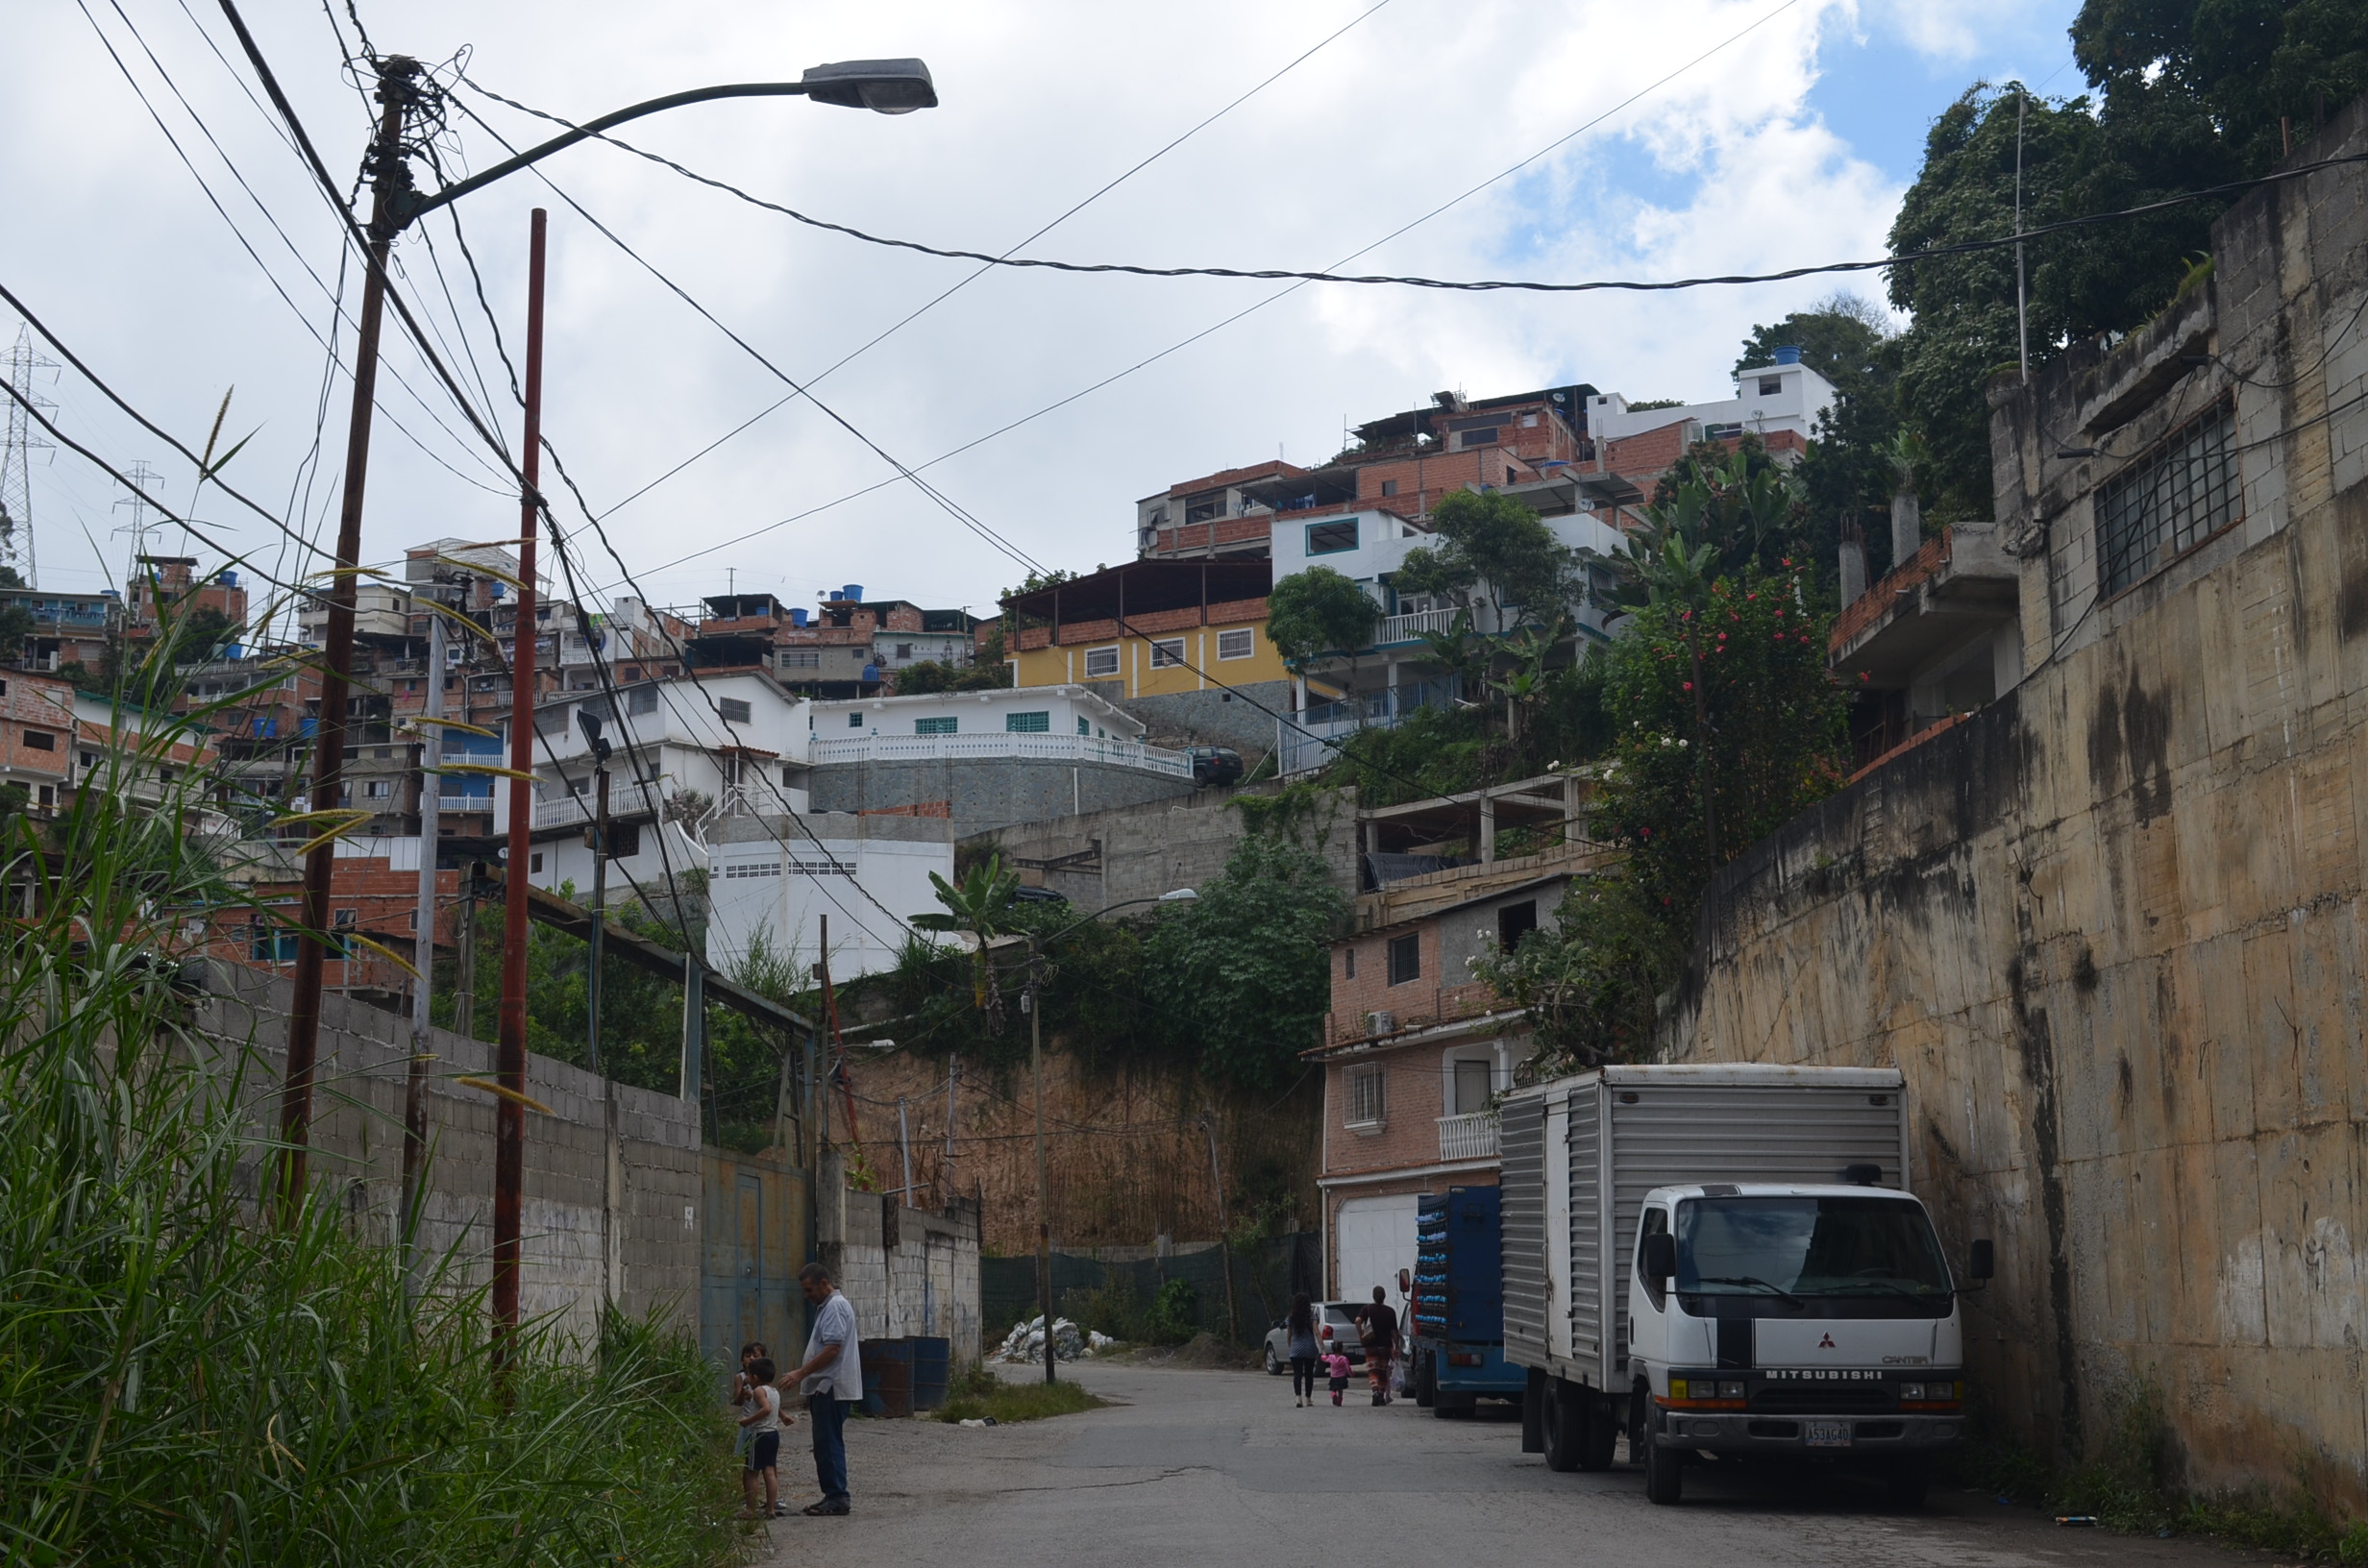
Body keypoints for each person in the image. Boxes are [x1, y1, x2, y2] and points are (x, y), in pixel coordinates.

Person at [777, 1262, 862, 1517]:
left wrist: (800, 1373)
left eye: (810, 1290)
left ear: (824, 1284)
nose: (807, 1296)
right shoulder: (828, 1307)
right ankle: (833, 1495)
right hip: (826, 1387)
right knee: (825, 1442)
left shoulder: (834, 1307)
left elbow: (832, 1348)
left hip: (831, 1386)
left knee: (828, 1441)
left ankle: (837, 1496)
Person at [738, 1357, 783, 1520]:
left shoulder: (759, 1391)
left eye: (749, 1376)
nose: (747, 1379)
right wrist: (784, 1418)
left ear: (755, 1377)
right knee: (769, 1471)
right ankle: (770, 1509)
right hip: (773, 1434)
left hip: (759, 1435)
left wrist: (747, 1421)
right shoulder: (774, 1391)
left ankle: (750, 1510)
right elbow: (772, 1407)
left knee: (751, 1472)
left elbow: (766, 1408)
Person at [1355, 1286, 1399, 1407]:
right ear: (1384, 1297)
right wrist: (1397, 1346)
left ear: (1373, 1296)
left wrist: (1361, 1335)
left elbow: (1358, 1321)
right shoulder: (1390, 1312)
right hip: (1385, 1346)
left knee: (1373, 1371)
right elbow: (1394, 1332)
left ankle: (1375, 1391)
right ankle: (1381, 1394)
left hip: (1371, 1345)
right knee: (1382, 1371)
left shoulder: (1367, 1309)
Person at [729, 1340, 769, 1466]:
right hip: (748, 1422)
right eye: (747, 1356)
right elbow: (738, 1401)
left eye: (755, 1356)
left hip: (764, 1424)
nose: (751, 1358)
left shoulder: (765, 1378)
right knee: (748, 1461)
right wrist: (743, 1388)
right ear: (742, 1360)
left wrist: (754, 1396)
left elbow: (769, 1401)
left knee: (767, 1462)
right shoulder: (740, 1377)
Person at [1285, 1295, 1320, 1408]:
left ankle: (1298, 1398)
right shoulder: (1312, 1316)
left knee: (1297, 1373)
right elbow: (1316, 1332)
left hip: (1296, 1348)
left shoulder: (1291, 1317)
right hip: (1309, 1348)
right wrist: (1322, 1347)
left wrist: (1290, 1346)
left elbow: (1289, 1335)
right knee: (1309, 1374)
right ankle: (1308, 1399)